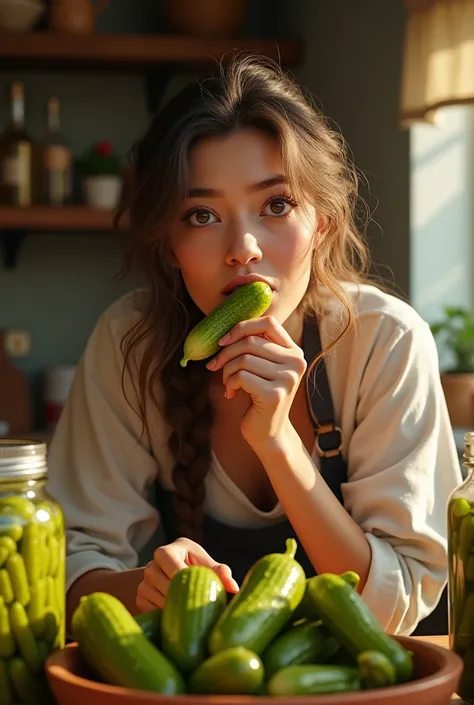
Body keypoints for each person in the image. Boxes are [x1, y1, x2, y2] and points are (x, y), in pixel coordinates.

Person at [46, 55, 462, 637]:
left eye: (276, 205)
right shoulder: (127, 344)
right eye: (202, 214)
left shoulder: (384, 341)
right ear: (169, 245)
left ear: (321, 221)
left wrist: (278, 445)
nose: (242, 247)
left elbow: (397, 608)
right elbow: (66, 570)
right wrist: (140, 589)